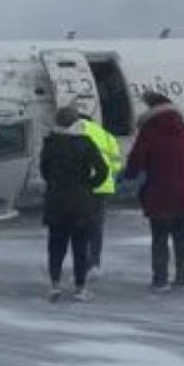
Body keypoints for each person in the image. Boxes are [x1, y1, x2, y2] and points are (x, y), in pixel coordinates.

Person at [122, 92, 184, 291]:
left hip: (159, 193)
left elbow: (136, 162)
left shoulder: (149, 133)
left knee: (160, 237)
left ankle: (160, 281)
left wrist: (129, 175)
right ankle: (183, 277)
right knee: (181, 234)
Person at [40, 107, 109, 301]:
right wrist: (89, 185)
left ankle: (55, 285)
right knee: (80, 247)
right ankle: (80, 288)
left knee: (56, 246)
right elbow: (102, 170)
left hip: (56, 201)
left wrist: (55, 185)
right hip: (80, 202)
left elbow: (44, 170)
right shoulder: (85, 143)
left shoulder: (50, 143)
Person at [79, 113, 122, 278]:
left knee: (80, 226)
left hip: (82, 186)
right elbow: (117, 165)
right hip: (103, 186)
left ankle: (82, 264)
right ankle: (95, 262)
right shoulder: (107, 135)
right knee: (96, 227)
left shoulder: (78, 133)